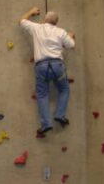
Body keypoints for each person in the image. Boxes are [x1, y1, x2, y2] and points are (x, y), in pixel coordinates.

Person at [19, 7, 75, 136]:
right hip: (57, 66)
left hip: (41, 66)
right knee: (64, 90)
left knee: (42, 94)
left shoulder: (37, 28)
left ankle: (46, 124)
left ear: (45, 19)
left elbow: (21, 21)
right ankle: (60, 115)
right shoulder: (61, 32)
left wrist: (31, 11)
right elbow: (72, 45)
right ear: (56, 22)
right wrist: (70, 36)